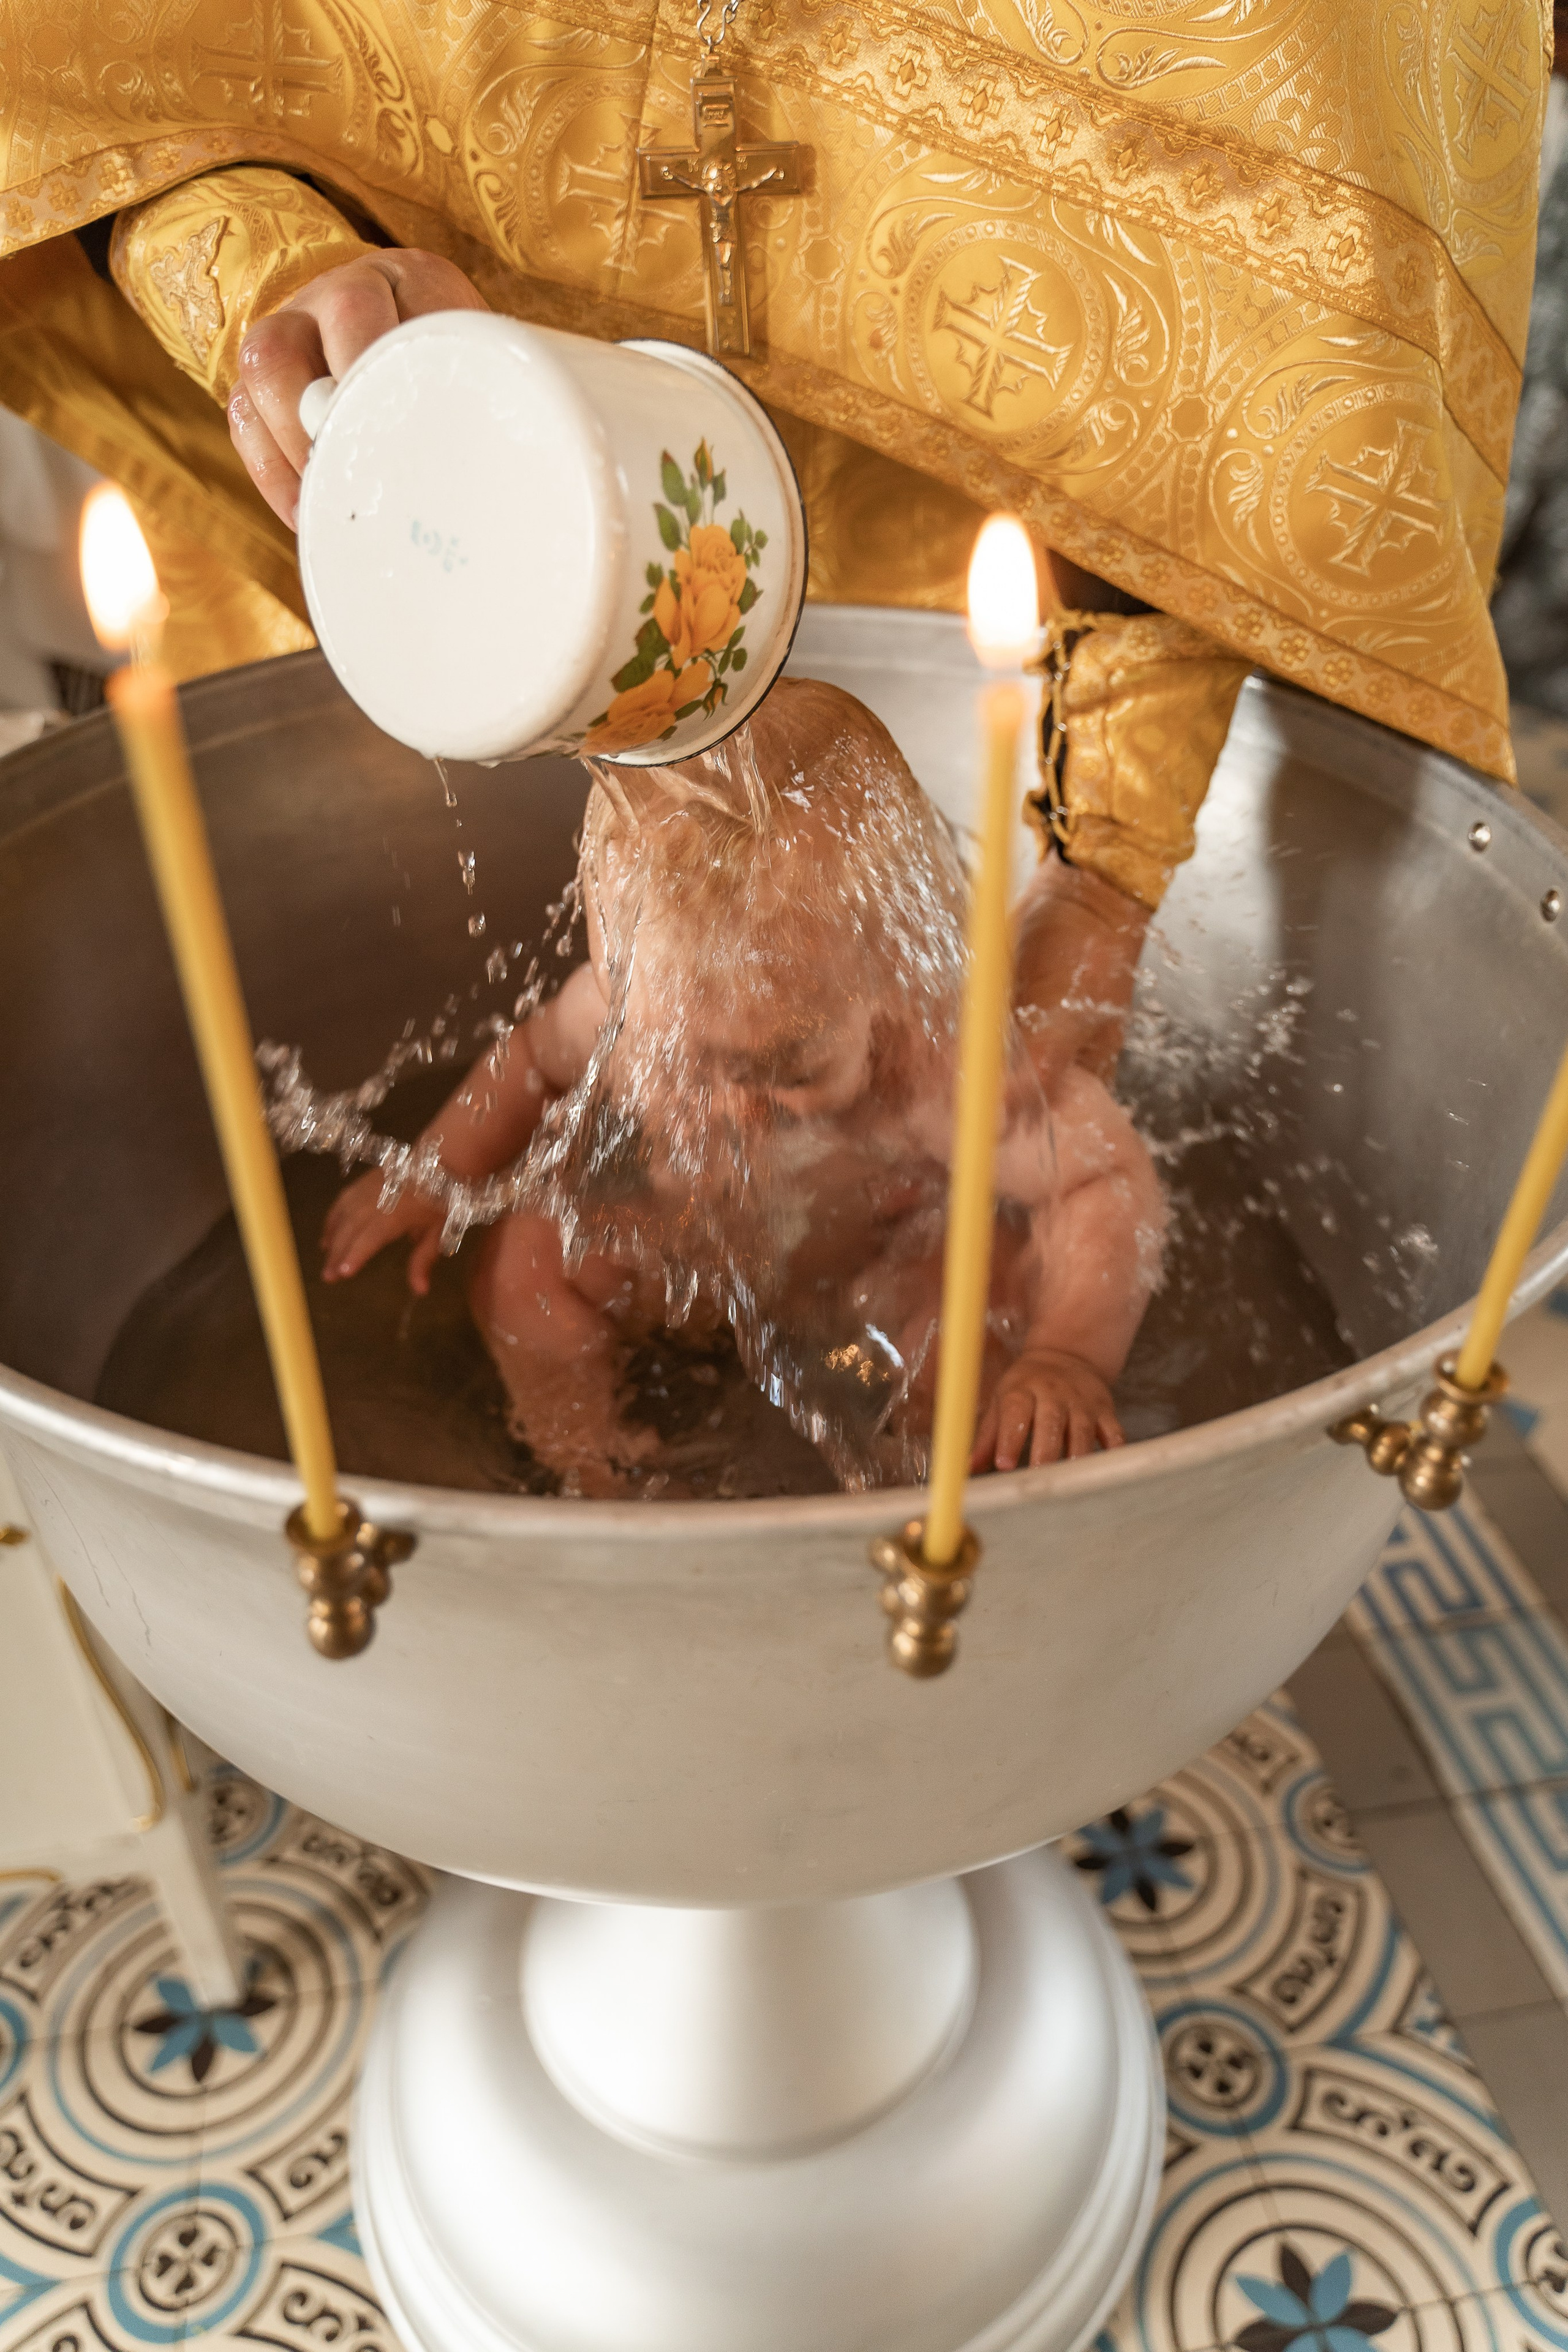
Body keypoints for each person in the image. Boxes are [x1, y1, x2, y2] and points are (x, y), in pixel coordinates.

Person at [0, 0, 1540, 1076]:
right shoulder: (629, 1020)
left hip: (1016, 501)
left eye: (805, 1053)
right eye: (687, 1041)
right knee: (536, 1271)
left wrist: (1110, 866)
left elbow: (1282, 305)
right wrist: (255, 269)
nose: (744, 1100)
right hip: (445, 477)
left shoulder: (939, 1085)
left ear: (925, 985)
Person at [319, 680, 1165, 1495]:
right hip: (678, 1262)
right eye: (671, 1058)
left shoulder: (943, 1066)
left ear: (899, 984)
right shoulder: (627, 996)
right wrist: (436, 1172)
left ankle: (917, 1483)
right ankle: (594, 1458)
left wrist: (1069, 1354)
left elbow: (1104, 1180)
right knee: (526, 1265)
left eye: (788, 1071)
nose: (730, 1103)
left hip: (865, 1287)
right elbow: (535, 1064)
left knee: (974, 1308)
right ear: (622, 984)